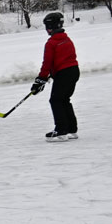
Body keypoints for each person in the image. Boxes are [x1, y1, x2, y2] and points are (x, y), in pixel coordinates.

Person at [29, 11, 79, 141]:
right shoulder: (66, 39)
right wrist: (47, 77)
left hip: (64, 74)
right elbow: (61, 61)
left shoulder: (51, 43)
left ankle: (61, 131)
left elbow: (47, 63)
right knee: (64, 100)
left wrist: (40, 80)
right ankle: (71, 130)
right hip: (73, 72)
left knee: (56, 100)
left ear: (50, 27)